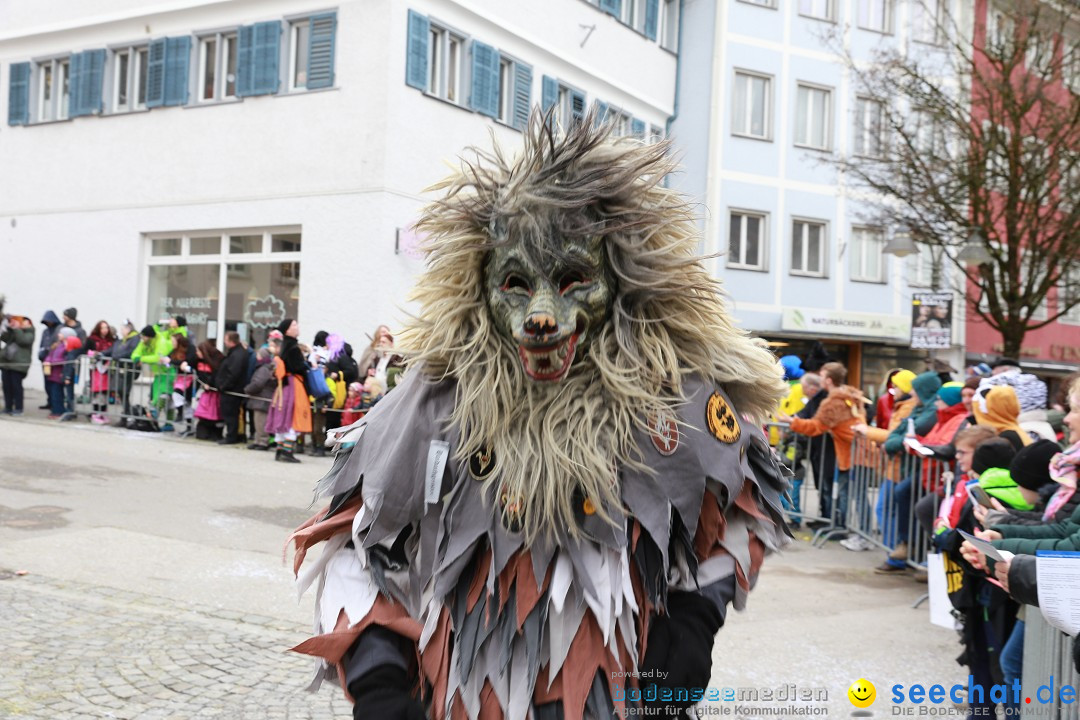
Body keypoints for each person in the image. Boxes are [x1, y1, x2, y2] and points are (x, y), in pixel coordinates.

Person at [286, 116, 790, 720]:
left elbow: (739, 509)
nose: (542, 316)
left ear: (619, 278)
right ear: (482, 285)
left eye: (574, 279)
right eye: (517, 284)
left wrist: (691, 624)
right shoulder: (436, 396)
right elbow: (355, 541)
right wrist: (378, 678)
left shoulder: (672, 397)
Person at [779, 362, 867, 532]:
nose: (819, 378)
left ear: (828, 379)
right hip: (843, 450)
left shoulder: (835, 399)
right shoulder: (844, 396)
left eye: (822, 375)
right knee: (839, 490)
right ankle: (834, 522)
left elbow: (817, 425)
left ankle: (839, 525)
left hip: (844, 451)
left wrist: (793, 422)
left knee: (844, 492)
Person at [266, 318, 311, 462]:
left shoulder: (284, 345)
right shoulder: (293, 347)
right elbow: (298, 367)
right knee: (293, 415)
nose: (297, 327)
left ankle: (280, 449)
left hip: (283, 386)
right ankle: (287, 450)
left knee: (284, 414)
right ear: (287, 330)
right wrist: (309, 363)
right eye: (294, 325)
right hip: (294, 384)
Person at [216, 331, 248, 445]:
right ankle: (235, 434)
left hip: (232, 390)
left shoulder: (237, 354)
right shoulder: (235, 353)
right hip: (231, 389)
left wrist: (224, 386)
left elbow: (234, 373)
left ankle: (232, 436)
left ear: (231, 341)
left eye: (225, 340)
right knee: (230, 413)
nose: (224, 342)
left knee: (231, 414)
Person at [0, 314, 35, 415]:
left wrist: (16, 329)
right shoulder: (14, 332)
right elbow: (4, 338)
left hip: (18, 365)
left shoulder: (30, 333)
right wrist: (7, 326)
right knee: (6, 386)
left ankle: (19, 408)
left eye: (25, 321)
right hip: (7, 363)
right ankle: (8, 407)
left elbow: (23, 340)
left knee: (16, 387)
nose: (22, 323)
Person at [244, 344, 277, 451]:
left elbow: (258, 383)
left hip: (262, 398)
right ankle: (258, 440)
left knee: (261, 421)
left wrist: (247, 389)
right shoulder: (264, 367)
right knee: (257, 421)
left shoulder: (263, 369)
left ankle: (263, 441)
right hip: (260, 398)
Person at [85, 320, 116, 424]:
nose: (105, 330)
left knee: (105, 392)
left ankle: (103, 413)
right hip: (96, 369)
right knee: (97, 392)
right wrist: (92, 353)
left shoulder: (111, 340)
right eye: (102, 328)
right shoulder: (92, 339)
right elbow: (85, 350)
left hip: (107, 369)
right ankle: (95, 413)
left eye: (106, 328)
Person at [193, 340, 225, 440]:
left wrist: (210, 383)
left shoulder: (217, 360)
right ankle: (204, 432)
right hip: (207, 392)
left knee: (215, 413)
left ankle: (214, 433)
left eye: (199, 351)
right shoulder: (199, 361)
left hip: (214, 392)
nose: (197, 354)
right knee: (205, 412)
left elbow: (217, 375)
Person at [37, 310, 61, 409]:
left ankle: (55, 403)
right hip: (45, 361)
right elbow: (42, 344)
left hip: (54, 361)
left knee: (53, 382)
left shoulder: (58, 330)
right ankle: (49, 401)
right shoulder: (45, 332)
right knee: (46, 382)